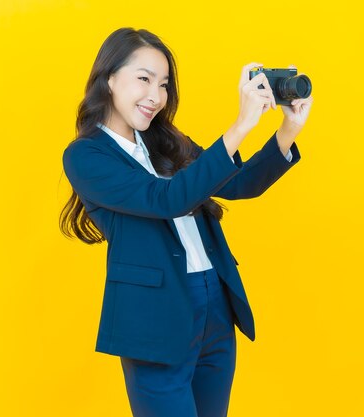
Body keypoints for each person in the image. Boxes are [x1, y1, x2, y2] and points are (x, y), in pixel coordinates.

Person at [60, 27, 313, 417]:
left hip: (215, 304)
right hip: (155, 319)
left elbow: (239, 182)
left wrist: (286, 131)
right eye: (143, 79)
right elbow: (167, 199)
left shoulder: (164, 141)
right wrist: (240, 125)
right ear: (109, 78)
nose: (155, 96)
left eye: (163, 85)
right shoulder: (86, 156)